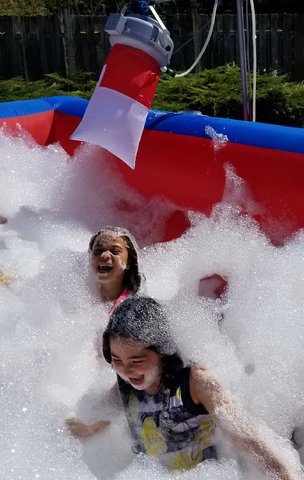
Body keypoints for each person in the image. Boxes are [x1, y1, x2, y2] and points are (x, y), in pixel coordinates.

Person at [66, 296, 301, 478]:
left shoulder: (195, 382)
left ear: (162, 350)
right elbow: (89, 425)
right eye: (116, 361)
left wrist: (282, 473)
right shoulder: (125, 390)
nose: (126, 371)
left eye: (137, 361)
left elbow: (244, 435)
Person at [88, 225, 142, 311]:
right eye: (98, 251)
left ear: (129, 261)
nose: (104, 255)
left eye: (115, 251)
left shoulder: (137, 306)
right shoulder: (78, 297)